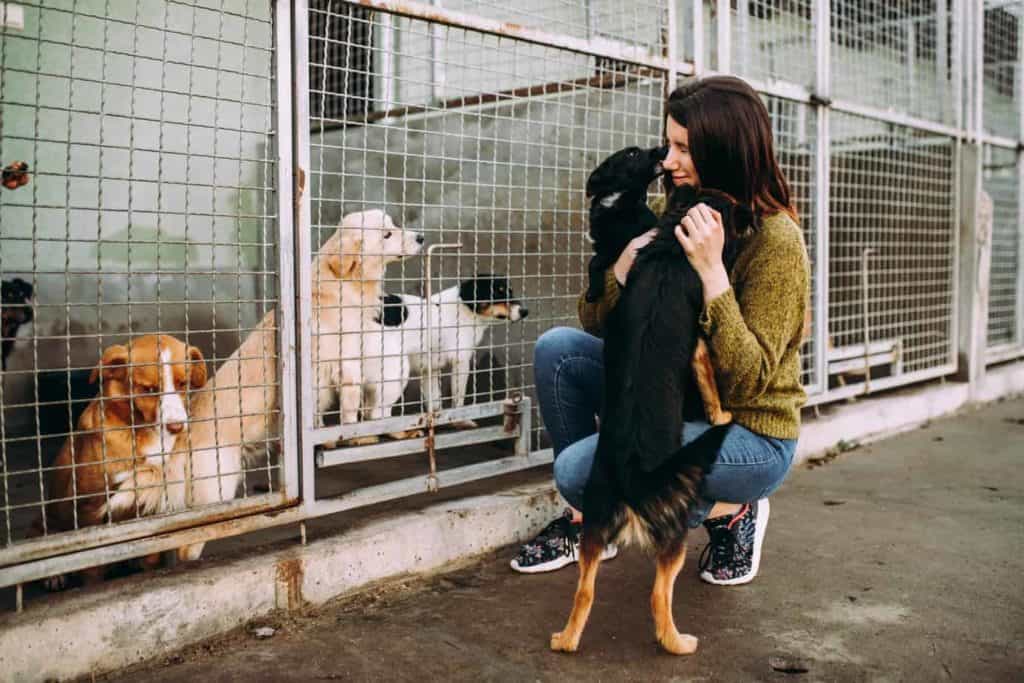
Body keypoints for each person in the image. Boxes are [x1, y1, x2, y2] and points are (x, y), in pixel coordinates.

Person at [511, 76, 810, 585]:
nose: (667, 160)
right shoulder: (674, 213)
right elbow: (595, 322)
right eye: (668, 143)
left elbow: (748, 383)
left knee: (582, 472)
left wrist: (714, 275)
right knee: (558, 350)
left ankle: (734, 512)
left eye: (683, 148)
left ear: (724, 152)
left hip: (750, 434)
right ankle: (591, 524)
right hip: (672, 401)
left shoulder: (776, 241)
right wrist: (623, 270)